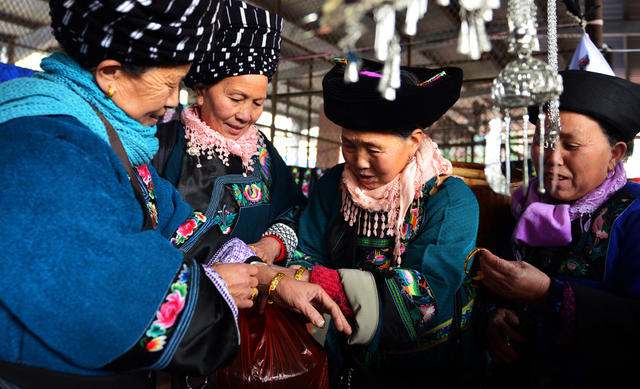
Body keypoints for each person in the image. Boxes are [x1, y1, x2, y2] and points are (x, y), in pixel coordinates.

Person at [0, 1, 350, 388]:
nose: (172, 102)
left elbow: (178, 223)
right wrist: (212, 288)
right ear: (110, 74)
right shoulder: (44, 145)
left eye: (177, 85)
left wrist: (270, 277)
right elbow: (98, 293)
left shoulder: (109, 135)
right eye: (168, 84)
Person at [289, 58, 484, 387]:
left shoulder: (449, 201)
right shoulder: (333, 186)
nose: (359, 162)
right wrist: (296, 276)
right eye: (348, 145)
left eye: (373, 149)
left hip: (430, 366)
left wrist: (315, 281)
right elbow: (307, 249)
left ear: (414, 142)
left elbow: (423, 293)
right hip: (344, 360)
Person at [475, 69, 640, 387]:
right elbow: (490, 284)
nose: (552, 158)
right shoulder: (526, 207)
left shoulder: (632, 216)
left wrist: (548, 294)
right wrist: (494, 316)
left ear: (614, 155)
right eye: (545, 142)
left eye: (572, 146)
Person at [153, 0, 304, 265]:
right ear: (200, 91)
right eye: (236, 98)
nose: (246, 115)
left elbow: (294, 209)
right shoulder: (165, 137)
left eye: (258, 103)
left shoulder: (261, 150)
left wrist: (273, 244)